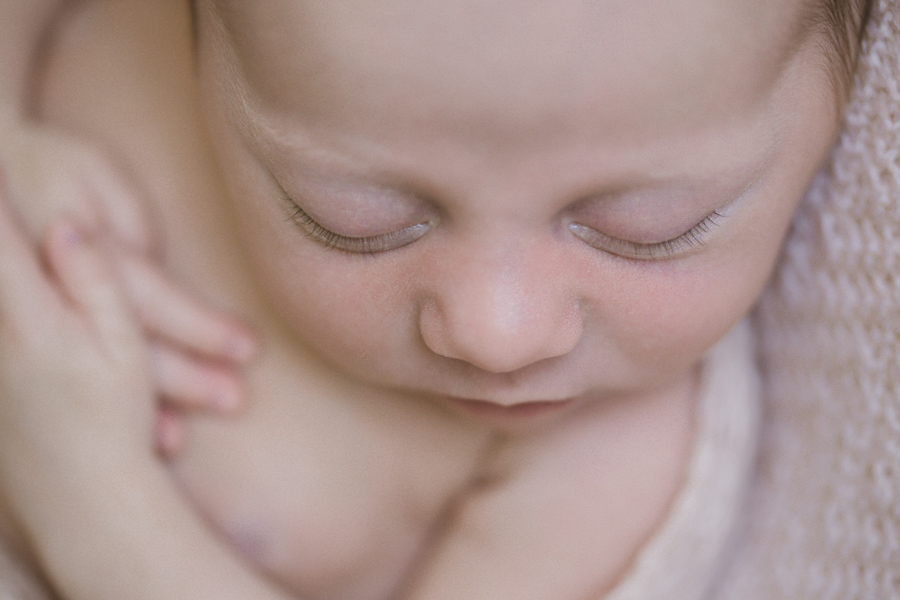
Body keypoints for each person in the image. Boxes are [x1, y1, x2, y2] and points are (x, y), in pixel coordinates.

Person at [0, 0, 873, 598]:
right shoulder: (154, 32)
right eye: (356, 220)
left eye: (646, 227)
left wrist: (86, 490)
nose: (496, 333)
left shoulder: (602, 465)